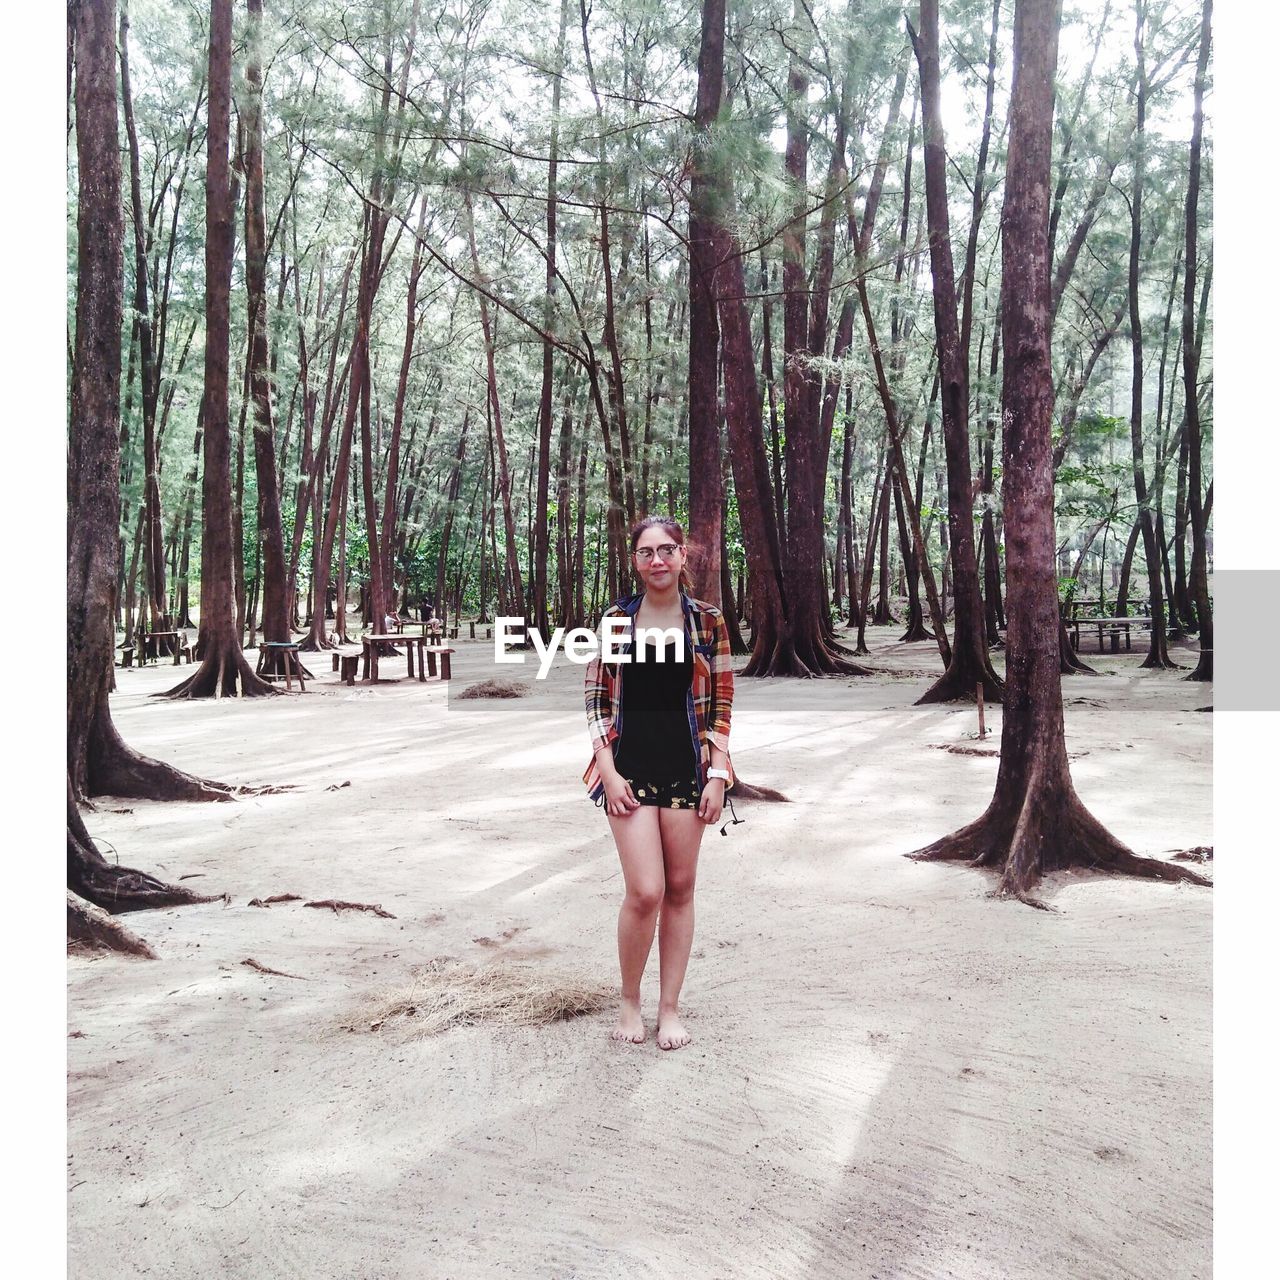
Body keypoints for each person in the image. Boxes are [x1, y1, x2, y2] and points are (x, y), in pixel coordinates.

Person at [583, 516, 735, 1050]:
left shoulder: (707, 621)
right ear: (635, 561)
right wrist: (605, 763)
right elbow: (596, 697)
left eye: (666, 550)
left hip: (686, 771)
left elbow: (721, 703)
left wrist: (718, 775)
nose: (657, 560)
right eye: (647, 552)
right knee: (645, 891)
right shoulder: (617, 619)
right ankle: (630, 1001)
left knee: (680, 889)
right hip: (628, 770)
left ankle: (669, 1008)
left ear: (683, 555)